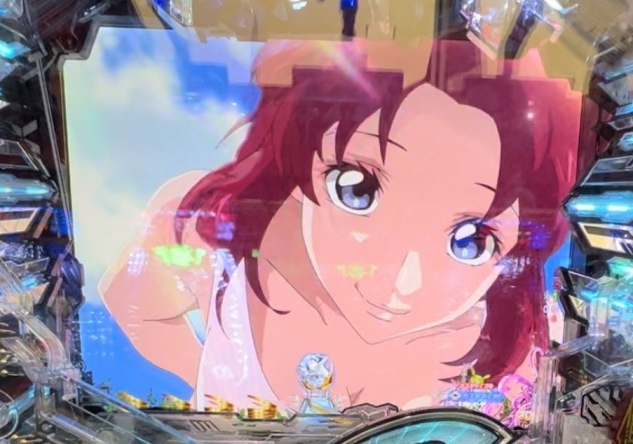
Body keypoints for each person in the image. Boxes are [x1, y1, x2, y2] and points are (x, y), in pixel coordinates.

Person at [100, 40, 583, 411]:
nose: (400, 282)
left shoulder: (512, 335)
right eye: (357, 189)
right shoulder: (212, 227)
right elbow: (132, 302)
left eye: (472, 240)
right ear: (300, 149)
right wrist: (216, 394)